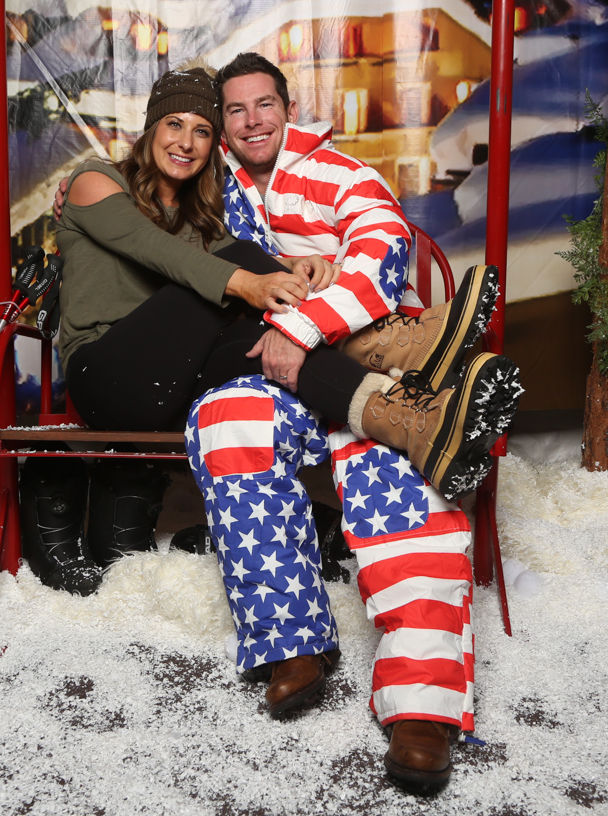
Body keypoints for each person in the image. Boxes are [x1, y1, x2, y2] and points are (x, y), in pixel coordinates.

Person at [27, 68, 514, 601]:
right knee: (240, 275)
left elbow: (207, 260)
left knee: (264, 345)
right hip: (107, 378)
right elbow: (160, 252)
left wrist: (300, 265)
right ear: (149, 129)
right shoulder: (94, 181)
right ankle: (397, 341)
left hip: (169, 387)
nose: (185, 142)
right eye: (173, 124)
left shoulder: (196, 221)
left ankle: (413, 423)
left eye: (202, 131)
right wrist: (253, 281)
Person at [184, 52, 522, 792]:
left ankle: (423, 704)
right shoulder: (216, 189)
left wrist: (303, 324)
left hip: (360, 365)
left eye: (264, 104)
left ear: (286, 104)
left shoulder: (340, 171)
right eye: (235, 111)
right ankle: (290, 640)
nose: (252, 121)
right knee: (226, 419)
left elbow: (377, 257)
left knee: (394, 466)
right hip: (269, 372)